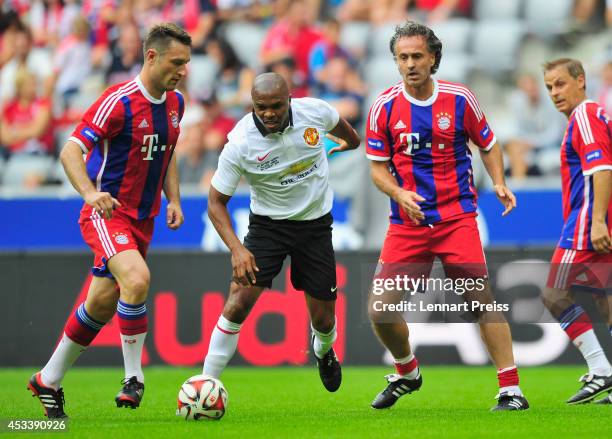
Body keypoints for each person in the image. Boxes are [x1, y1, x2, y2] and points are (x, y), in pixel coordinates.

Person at [27, 23, 191, 418]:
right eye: (177, 62)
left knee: (101, 303)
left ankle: (47, 380)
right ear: (151, 56)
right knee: (136, 280)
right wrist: (89, 194)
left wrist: (174, 198)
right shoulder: (117, 101)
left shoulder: (175, 102)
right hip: (107, 213)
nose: (183, 70)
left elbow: (166, 152)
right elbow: (70, 150)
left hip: (144, 219)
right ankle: (134, 377)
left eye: (185, 63)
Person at [365, 21, 528, 411]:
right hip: (409, 223)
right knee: (380, 310)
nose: (409, 64)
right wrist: (399, 192)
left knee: (480, 301)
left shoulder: (459, 99)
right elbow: (377, 168)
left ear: (434, 57)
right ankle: (407, 372)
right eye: (402, 57)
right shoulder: (383, 107)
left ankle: (511, 390)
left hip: (457, 217)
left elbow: (488, 144)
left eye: (417, 56)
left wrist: (500, 181)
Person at [201, 72, 360, 394]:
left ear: (290, 100)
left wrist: (335, 148)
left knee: (324, 321)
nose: (269, 113)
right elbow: (216, 203)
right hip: (267, 228)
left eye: (276, 106)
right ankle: (205, 383)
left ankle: (323, 351)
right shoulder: (240, 143)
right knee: (237, 303)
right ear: (252, 105)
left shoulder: (316, 112)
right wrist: (237, 249)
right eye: (261, 107)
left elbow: (353, 140)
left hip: (315, 226)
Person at [541, 58, 612, 405]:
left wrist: (597, 220)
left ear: (580, 81)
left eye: (560, 83)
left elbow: (602, 167)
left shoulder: (584, 115)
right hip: (599, 218)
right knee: (605, 297)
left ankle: (600, 369)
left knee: (554, 295)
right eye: (549, 87)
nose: (554, 93)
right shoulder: (596, 115)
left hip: (587, 222)